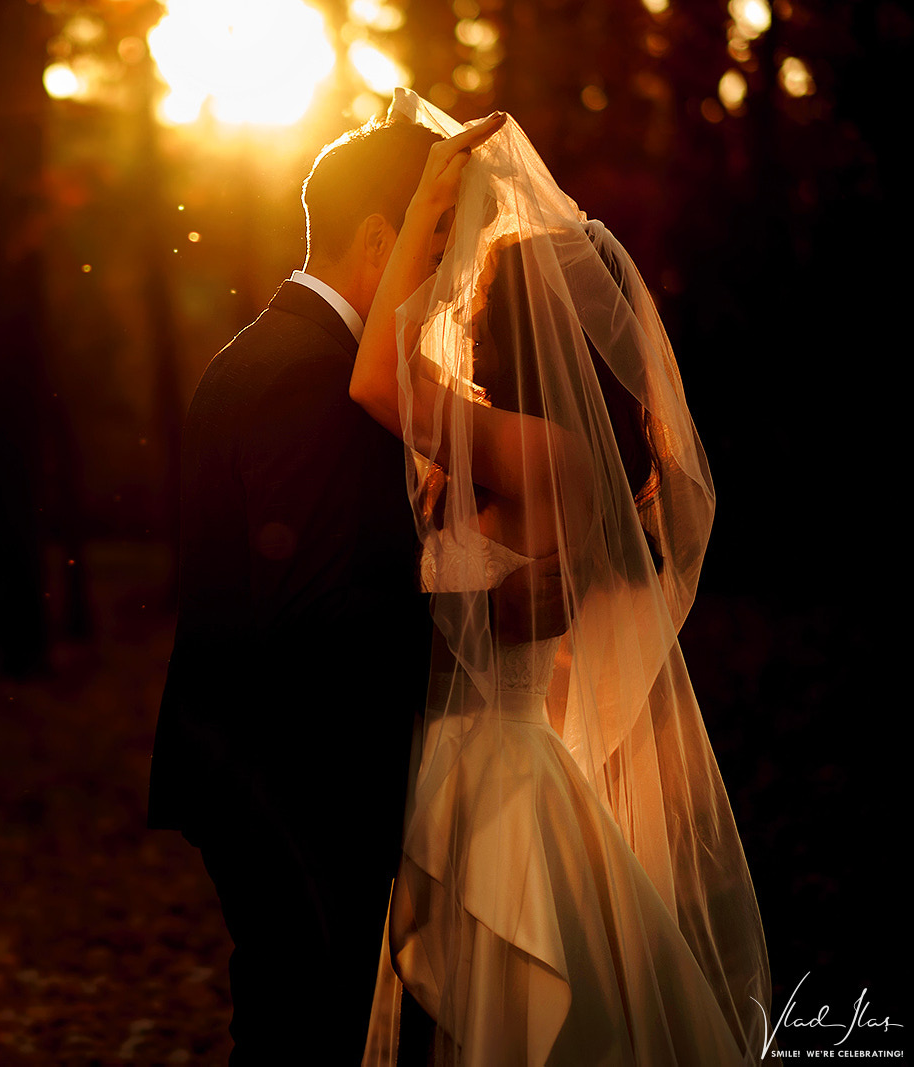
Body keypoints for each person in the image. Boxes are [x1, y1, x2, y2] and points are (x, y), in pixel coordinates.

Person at [349, 90, 772, 1065]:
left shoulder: (542, 455)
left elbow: (375, 381)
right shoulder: (523, 451)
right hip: (480, 770)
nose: (459, 303)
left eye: (474, 293)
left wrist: (424, 201)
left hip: (497, 780)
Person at [146, 116, 501, 1064]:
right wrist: (476, 624)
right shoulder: (301, 375)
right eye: (436, 242)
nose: (446, 271)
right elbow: (310, 616)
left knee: (306, 1020)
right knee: (309, 1028)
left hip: (281, 765)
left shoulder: (293, 354)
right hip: (288, 778)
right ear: (381, 241)